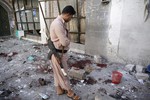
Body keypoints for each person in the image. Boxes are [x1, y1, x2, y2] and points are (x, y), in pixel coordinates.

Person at [49, 5, 80, 100]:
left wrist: (66, 40)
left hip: (59, 53)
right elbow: (64, 42)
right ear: (67, 14)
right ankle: (69, 92)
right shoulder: (58, 24)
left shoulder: (60, 22)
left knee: (57, 73)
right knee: (64, 74)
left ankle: (59, 89)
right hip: (58, 55)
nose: (70, 19)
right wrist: (68, 40)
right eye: (70, 17)